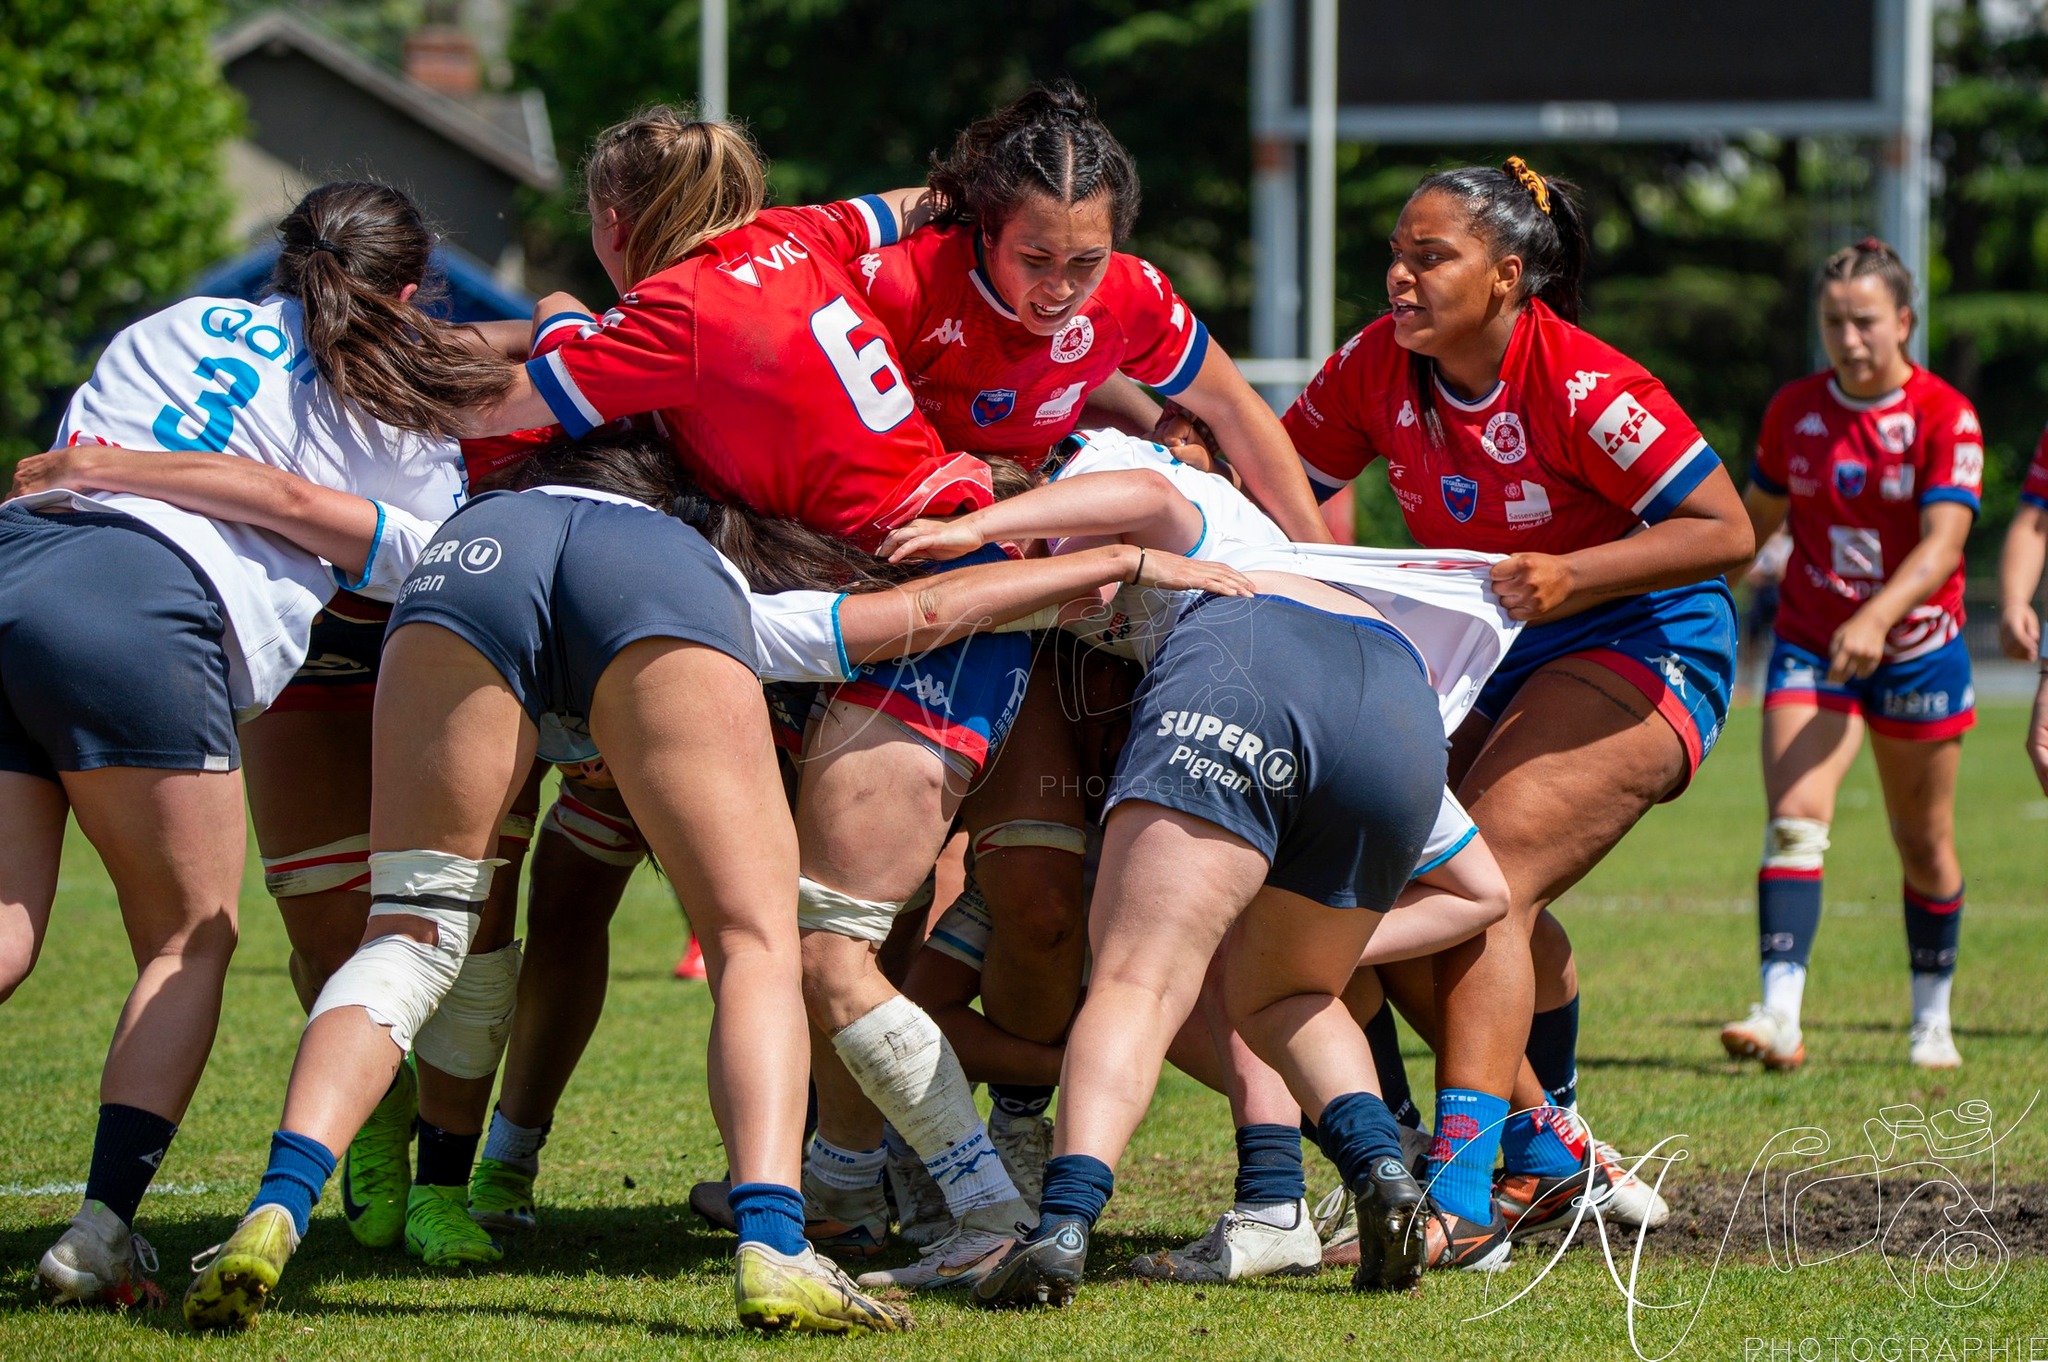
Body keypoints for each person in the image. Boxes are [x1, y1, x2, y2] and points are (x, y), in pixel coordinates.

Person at [877, 433, 1521, 1304]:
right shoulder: (1113, 581)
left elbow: (1145, 493)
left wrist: (978, 529)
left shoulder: (1108, 476)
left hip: (1248, 652)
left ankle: (1061, 1228)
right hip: (1392, 685)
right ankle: (1384, 1176)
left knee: (1137, 980)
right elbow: (1483, 891)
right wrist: (1319, 944)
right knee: (1287, 992)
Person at [845, 84, 1334, 1232]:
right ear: (976, 227)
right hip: (896, 588)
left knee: (1038, 900)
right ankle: (842, 1161)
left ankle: (1010, 1122)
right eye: (1033, 259)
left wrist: (1331, 566)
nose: (1058, 288)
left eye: (1085, 261)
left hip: (1045, 605)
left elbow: (1232, 408)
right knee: (870, 901)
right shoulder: (893, 281)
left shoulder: (1130, 298)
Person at [2, 180, 490, 1306]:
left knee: (8, 935)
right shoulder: (387, 399)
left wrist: (128, 470)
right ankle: (99, 1234)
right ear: (411, 290)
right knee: (190, 936)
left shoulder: (168, 324)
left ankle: (102, 1235)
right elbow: (424, 560)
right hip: (140, 603)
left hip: (17, 564)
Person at [1282, 159, 1752, 1254]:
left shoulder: (1585, 386)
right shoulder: (1371, 364)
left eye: (1428, 257)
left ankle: (1456, 1199)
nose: (1398, 277)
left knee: (1485, 874)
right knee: (1382, 861)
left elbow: (1725, 530)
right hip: (1497, 649)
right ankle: (1545, 1150)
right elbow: (1279, 477)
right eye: (1394, 253)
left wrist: (1573, 576)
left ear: (1505, 279)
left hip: (1644, 638)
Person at [1720, 239, 1982, 1073]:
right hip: (1811, 639)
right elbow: (1750, 525)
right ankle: (1779, 1015)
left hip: (1917, 649)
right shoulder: (1793, 409)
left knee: (1924, 842)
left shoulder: (1947, 415)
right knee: (1796, 822)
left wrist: (1878, 617)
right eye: (1834, 321)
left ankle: (1930, 1017)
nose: (1849, 336)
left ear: (1903, 322)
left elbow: (1944, 546)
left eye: (1865, 320)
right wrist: (1683, 587)